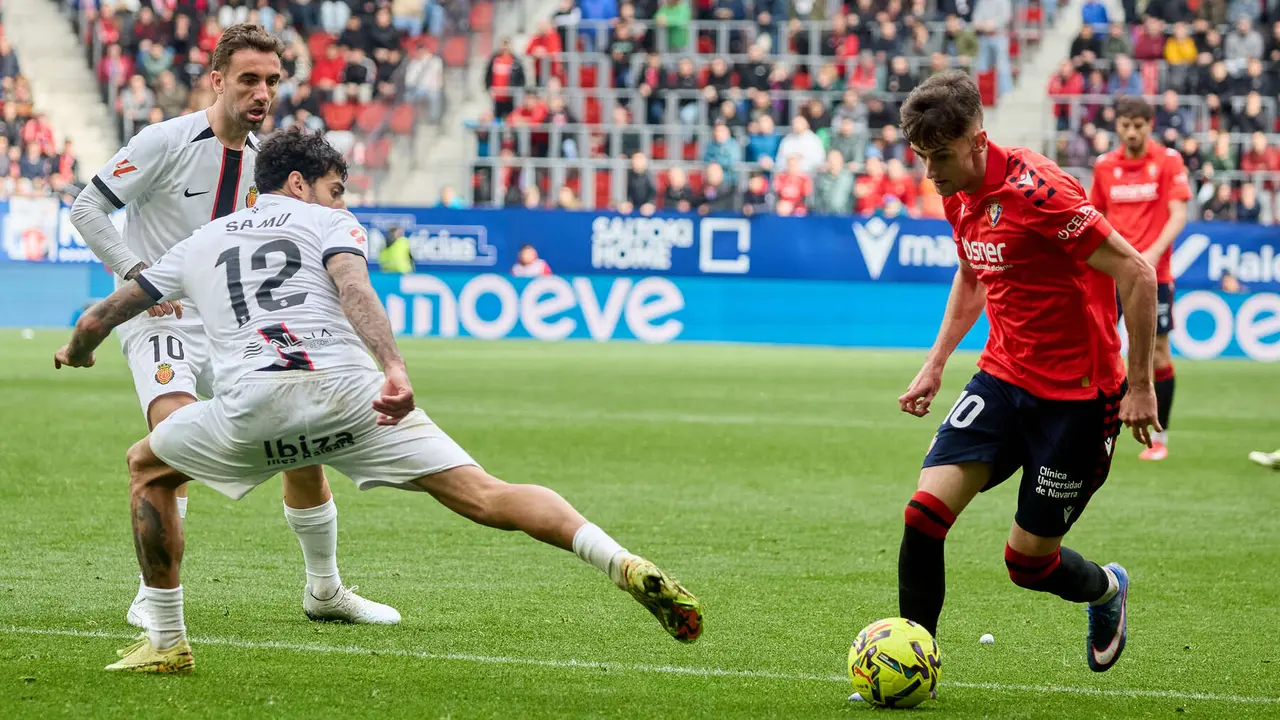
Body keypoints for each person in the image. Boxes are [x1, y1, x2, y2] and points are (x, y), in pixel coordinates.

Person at [55, 127, 703, 674]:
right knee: (487, 493)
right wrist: (392, 366)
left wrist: (80, 348)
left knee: (148, 467)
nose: (344, 198)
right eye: (337, 186)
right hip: (351, 394)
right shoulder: (330, 222)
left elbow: (113, 308)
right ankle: (618, 560)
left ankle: (166, 641)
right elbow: (354, 289)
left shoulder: (200, 242)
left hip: (251, 406)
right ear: (302, 183)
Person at [69, 24, 399, 630]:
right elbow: (85, 207)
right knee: (172, 431)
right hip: (160, 311)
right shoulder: (164, 140)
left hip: (237, 319)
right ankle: (155, 593)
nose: (262, 92)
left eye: (272, 81)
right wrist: (135, 273)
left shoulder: (263, 164)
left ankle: (324, 591)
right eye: (249, 79)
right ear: (217, 80)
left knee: (302, 435)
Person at [891, 72, 1158, 683]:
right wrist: (936, 364)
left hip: (1078, 399)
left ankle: (1105, 590)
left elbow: (1137, 273)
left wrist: (1140, 386)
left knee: (1027, 563)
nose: (930, 173)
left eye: (940, 157)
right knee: (922, 516)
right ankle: (914, 665)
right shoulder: (956, 192)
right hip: (1003, 379)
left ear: (978, 141)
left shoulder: (1041, 193)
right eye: (922, 158)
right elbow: (972, 272)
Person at [1088, 97, 1189, 462]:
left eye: (1138, 125)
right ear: (1117, 126)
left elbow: (1178, 214)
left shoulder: (1168, 161)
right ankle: (1098, 429)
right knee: (1099, 349)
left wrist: (1152, 255)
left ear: (1150, 125)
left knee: (1158, 353)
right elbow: (1093, 216)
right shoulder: (1104, 166)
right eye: (1125, 125)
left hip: (1154, 274)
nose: (1131, 132)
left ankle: (1160, 438)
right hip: (1110, 275)